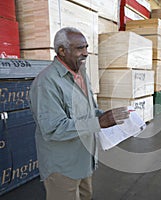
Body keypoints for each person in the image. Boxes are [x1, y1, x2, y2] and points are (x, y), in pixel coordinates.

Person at [29, 27, 129, 200]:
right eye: (79, 48)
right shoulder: (46, 83)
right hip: (63, 167)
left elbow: (89, 111)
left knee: (86, 196)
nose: (86, 53)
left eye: (86, 47)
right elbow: (53, 129)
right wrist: (99, 122)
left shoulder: (81, 73)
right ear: (62, 51)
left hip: (84, 160)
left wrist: (107, 116)